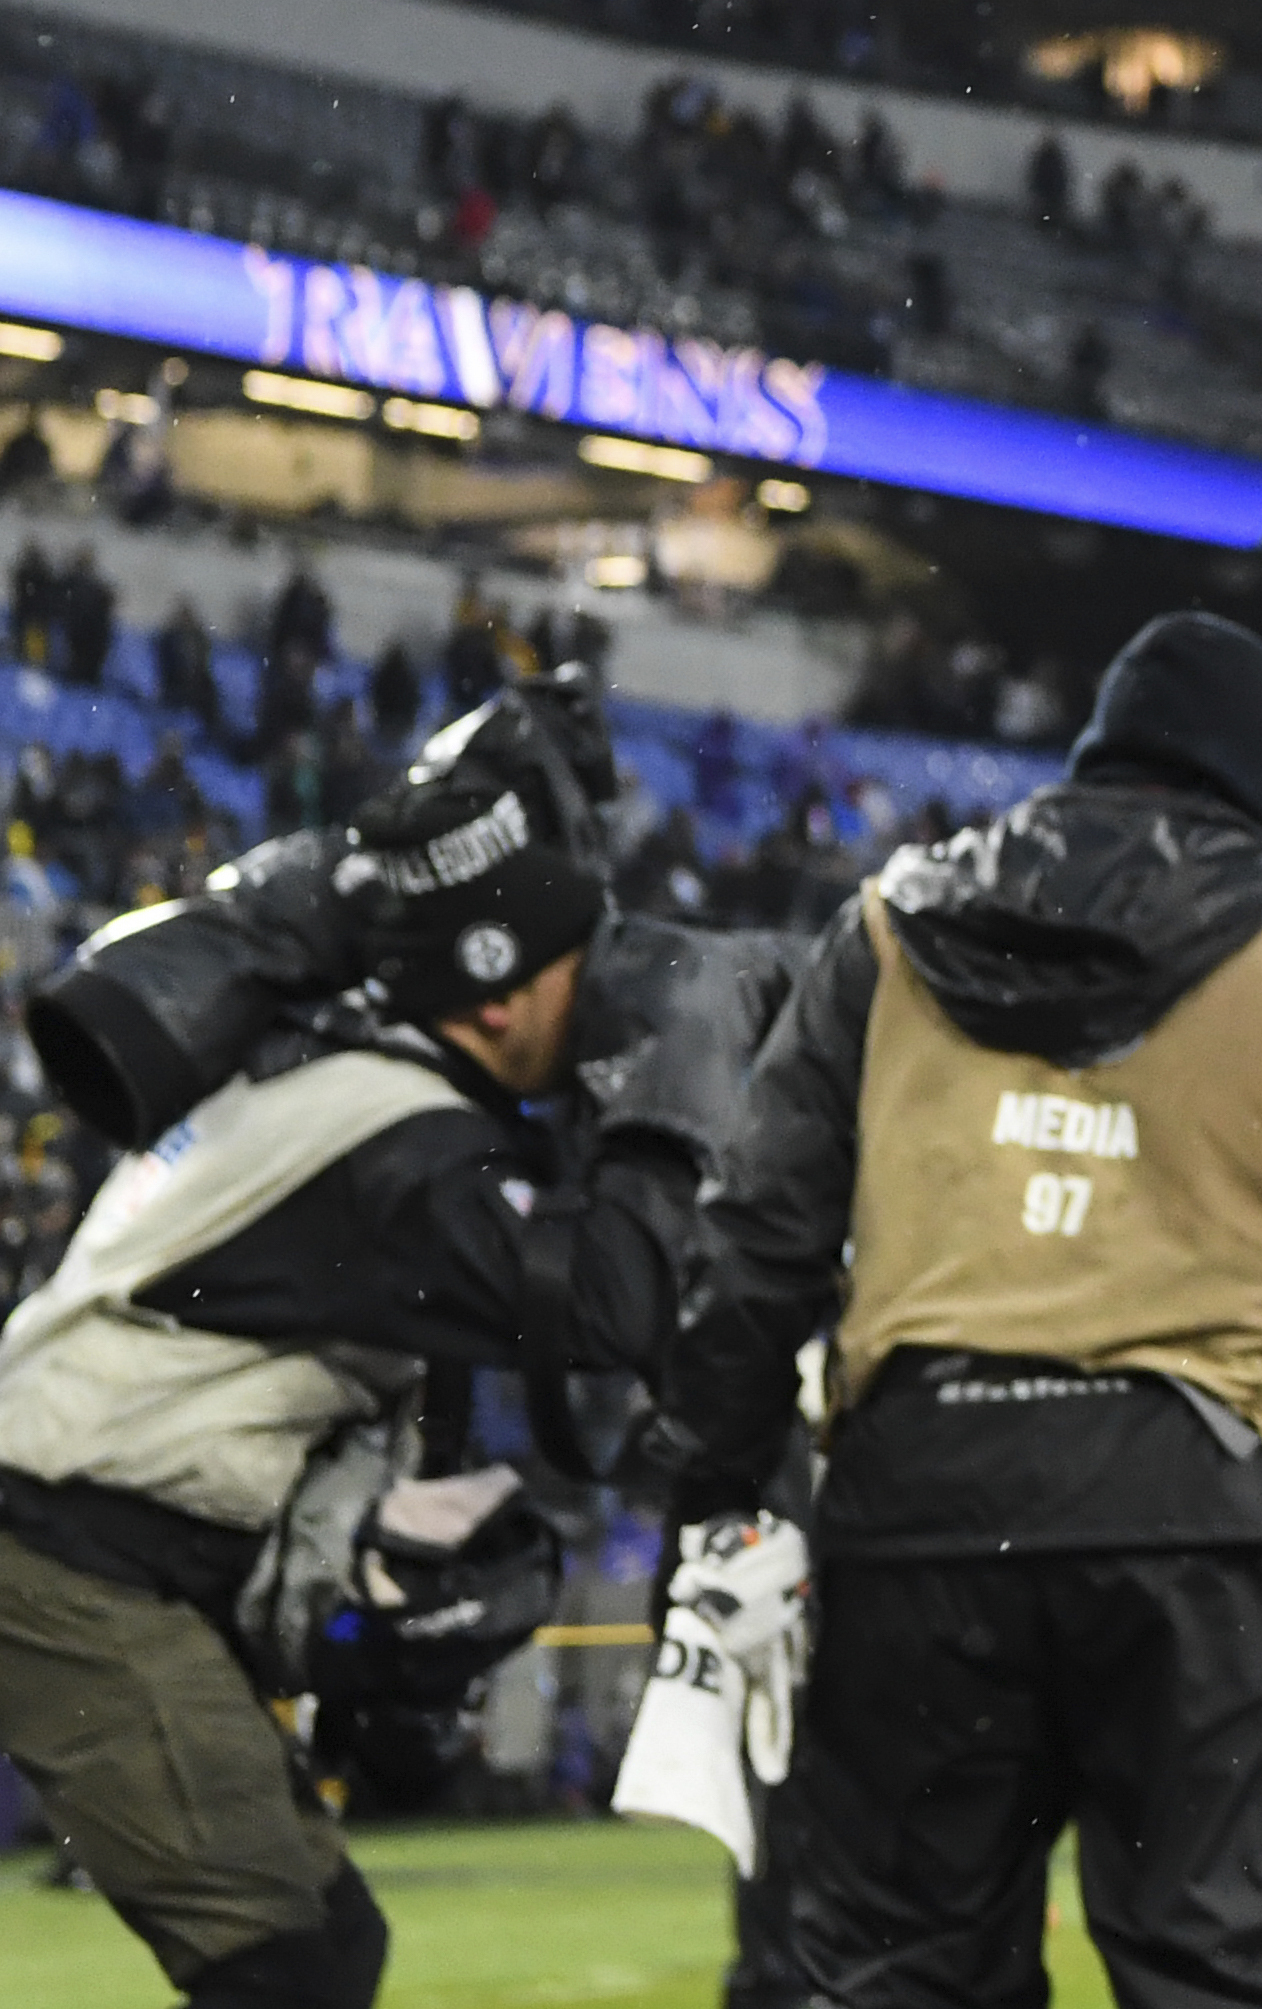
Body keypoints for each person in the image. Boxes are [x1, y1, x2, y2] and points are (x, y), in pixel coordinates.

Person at [641, 612, 1262, 2009]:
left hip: (923, 1510)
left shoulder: (887, 927)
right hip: (1208, 1525)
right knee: (1210, 1970)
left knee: (901, 1972)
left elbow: (754, 1236)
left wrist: (716, 1480)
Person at [0, 738, 741, 2009]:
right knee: (286, 1961)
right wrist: (671, 1099)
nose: (604, 1005)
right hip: (68, 1550)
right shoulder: (399, 1140)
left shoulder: (332, 1080)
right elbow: (613, 1304)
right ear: (499, 995)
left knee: (326, 1941)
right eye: (586, 974)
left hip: (94, 1525)